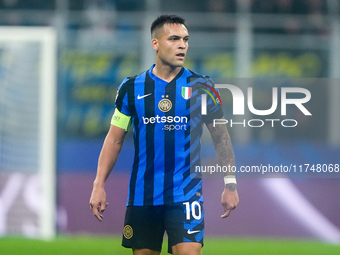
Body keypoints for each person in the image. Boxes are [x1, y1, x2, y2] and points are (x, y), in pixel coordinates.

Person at [89, 14, 239, 255]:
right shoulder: (131, 88)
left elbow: (221, 137)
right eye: (174, 39)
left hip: (185, 193)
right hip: (143, 194)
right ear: (155, 44)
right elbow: (114, 139)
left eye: (186, 39)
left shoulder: (203, 87)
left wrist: (230, 184)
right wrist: (99, 185)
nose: (182, 45)